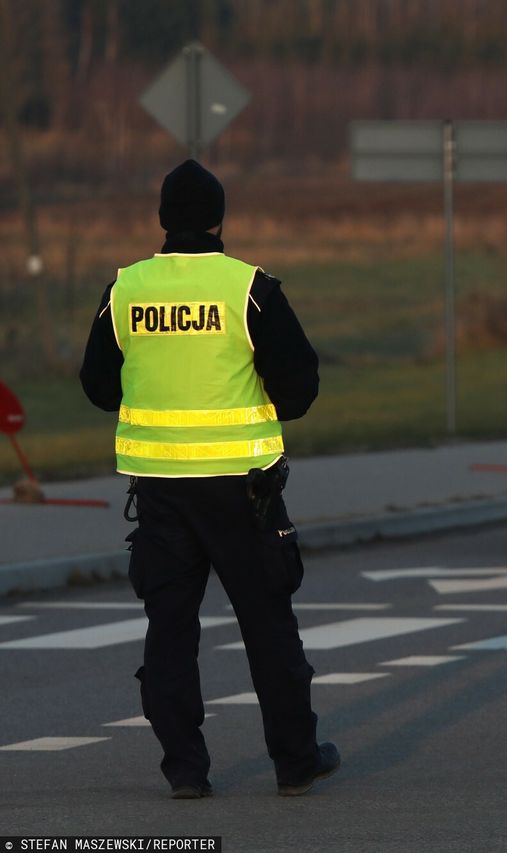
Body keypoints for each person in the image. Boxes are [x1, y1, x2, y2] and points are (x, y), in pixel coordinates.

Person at [79, 160, 339, 799]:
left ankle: (186, 771)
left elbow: (96, 385)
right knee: (267, 627)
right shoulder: (249, 290)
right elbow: (300, 387)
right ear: (221, 219)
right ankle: (295, 762)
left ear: (162, 220)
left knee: (170, 632)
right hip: (242, 492)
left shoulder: (126, 290)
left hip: (161, 491)